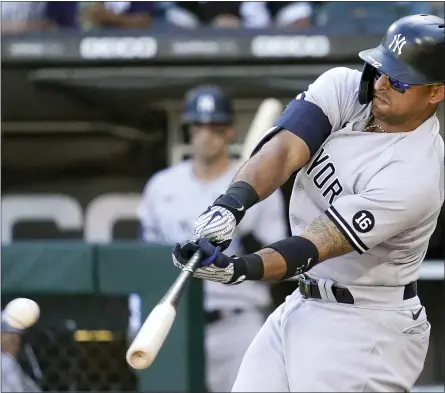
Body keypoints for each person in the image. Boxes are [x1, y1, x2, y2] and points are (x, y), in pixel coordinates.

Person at [172, 14, 444, 392]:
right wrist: (231, 203)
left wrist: (240, 268)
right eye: (380, 69)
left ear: (436, 92)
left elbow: (317, 243)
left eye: (399, 80)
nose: (381, 84)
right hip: (304, 302)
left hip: (366, 327)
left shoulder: (416, 173)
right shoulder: (346, 88)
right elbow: (283, 152)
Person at [138, 85, 287, 392]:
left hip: (237, 323)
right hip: (175, 324)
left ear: (230, 131)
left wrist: (244, 232)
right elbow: (144, 261)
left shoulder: (257, 186)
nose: (206, 136)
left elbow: (279, 267)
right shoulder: (161, 186)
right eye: (199, 127)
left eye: (215, 128)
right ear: (189, 131)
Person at [1, 314, 41, 392]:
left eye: (17, 335)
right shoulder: (6, 362)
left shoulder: (13, 362)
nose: (15, 340)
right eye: (8, 334)